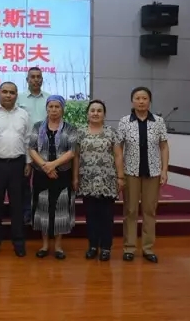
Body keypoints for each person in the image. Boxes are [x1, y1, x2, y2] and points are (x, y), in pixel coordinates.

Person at [118, 86, 169, 264]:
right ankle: (129, 248)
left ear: (149, 101)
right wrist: (120, 173)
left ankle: (148, 248)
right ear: (132, 101)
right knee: (130, 210)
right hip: (130, 172)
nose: (141, 101)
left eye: (144, 98)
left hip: (153, 172)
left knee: (149, 211)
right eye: (138, 98)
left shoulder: (158, 121)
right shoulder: (124, 121)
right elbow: (119, 148)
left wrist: (164, 170)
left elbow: (164, 146)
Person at [73, 100, 124, 262]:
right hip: (87, 179)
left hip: (107, 180)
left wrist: (120, 177)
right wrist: (75, 177)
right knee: (91, 216)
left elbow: (118, 155)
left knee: (106, 216)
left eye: (99, 111)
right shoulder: (80, 132)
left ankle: (106, 248)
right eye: (92, 110)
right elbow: (76, 156)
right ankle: (93, 246)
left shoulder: (111, 132)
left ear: (104, 114)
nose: (95, 113)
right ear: (87, 113)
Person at [28, 95, 78, 260]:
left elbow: (72, 151)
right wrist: (45, 166)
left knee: (60, 208)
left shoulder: (70, 128)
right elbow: (32, 149)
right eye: (51, 107)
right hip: (42, 174)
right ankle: (44, 245)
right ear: (47, 109)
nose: (54, 110)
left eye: (57, 107)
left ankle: (58, 246)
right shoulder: (37, 127)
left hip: (62, 175)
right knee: (43, 208)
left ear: (62, 109)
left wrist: (53, 165)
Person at [0, 82, 31, 257]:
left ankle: (18, 242)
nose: (8, 95)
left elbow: (27, 140)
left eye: (12, 92)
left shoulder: (24, 115)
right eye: (4, 92)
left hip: (18, 164)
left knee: (17, 205)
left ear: (16, 95)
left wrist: (28, 163)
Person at [17, 67, 50, 225]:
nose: (36, 79)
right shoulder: (19, 98)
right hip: (23, 144)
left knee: (41, 181)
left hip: (45, 146)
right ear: (27, 80)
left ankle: (40, 211)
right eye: (33, 77)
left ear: (42, 79)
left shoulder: (49, 98)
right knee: (24, 181)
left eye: (38, 77)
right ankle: (26, 212)